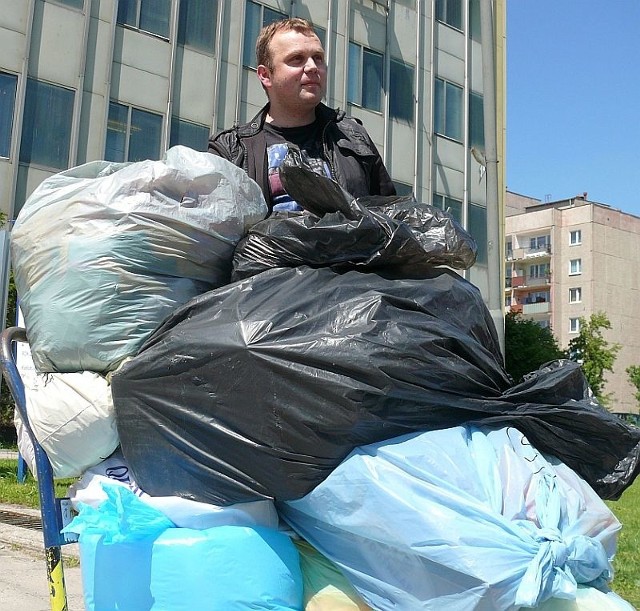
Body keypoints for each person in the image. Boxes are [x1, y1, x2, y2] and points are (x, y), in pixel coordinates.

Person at [208, 17, 395, 212]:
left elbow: (391, 217)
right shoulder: (232, 151)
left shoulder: (353, 136)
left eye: (318, 58)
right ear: (265, 75)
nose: (313, 67)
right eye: (297, 59)